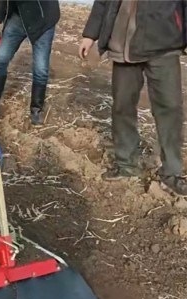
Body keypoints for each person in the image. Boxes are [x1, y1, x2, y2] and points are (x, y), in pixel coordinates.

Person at [79, 0, 187, 197]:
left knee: (170, 109)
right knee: (122, 106)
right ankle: (127, 165)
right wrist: (89, 35)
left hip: (164, 43)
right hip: (123, 46)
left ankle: (171, 173)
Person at [0, 0, 60, 125]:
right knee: (1, 58)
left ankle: (36, 111)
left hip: (43, 20)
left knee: (40, 69)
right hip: (17, 18)